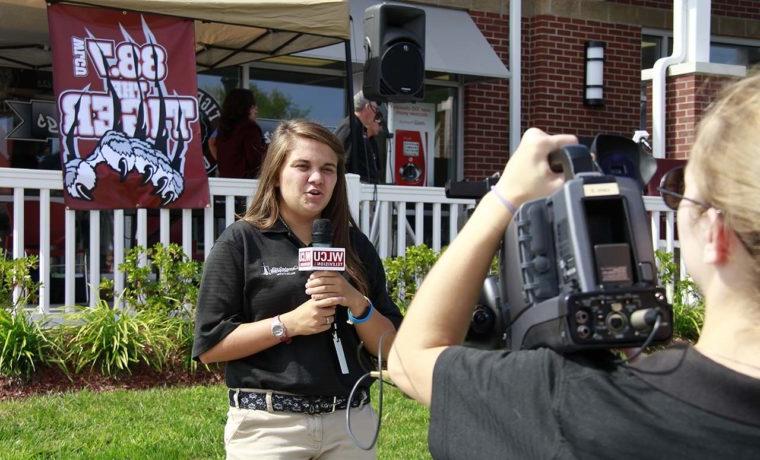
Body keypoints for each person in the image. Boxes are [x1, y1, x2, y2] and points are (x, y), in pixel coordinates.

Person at [388, 74, 760, 458]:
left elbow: (409, 360)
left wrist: (503, 199)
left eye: (681, 190)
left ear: (718, 234)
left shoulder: (573, 404)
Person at [192, 120, 402, 459]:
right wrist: (288, 324)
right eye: (303, 166)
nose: (317, 178)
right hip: (269, 427)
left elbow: (390, 346)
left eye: (328, 169)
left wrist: (356, 302)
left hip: (349, 423)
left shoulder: (355, 245)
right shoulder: (241, 241)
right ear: (277, 173)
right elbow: (210, 346)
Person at [215, 88, 267, 179]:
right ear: (246, 108)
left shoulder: (224, 129)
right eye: (253, 106)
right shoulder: (250, 128)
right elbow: (255, 161)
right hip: (245, 186)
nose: (256, 109)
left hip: (225, 186)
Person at [334, 91, 383, 183]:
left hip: (365, 188)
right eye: (375, 110)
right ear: (368, 107)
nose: (375, 115)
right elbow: (341, 160)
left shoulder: (359, 127)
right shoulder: (350, 126)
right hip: (355, 188)